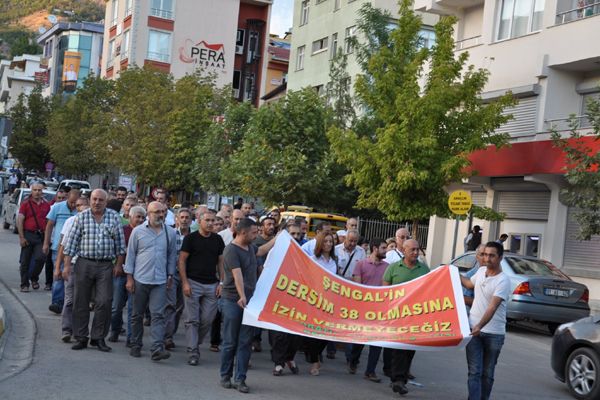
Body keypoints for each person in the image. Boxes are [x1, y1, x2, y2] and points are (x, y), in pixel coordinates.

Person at [63, 189, 126, 352]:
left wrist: (119, 265)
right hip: (84, 262)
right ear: (90, 200)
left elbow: (120, 244)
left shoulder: (113, 217)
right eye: (94, 199)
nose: (97, 202)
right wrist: (67, 266)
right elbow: (70, 244)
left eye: (100, 200)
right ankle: (81, 337)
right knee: (80, 301)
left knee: (104, 301)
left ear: (106, 201)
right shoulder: (81, 217)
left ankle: (98, 338)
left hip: (105, 265)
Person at [219, 218, 275, 393]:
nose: (256, 235)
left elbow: (262, 250)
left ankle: (240, 379)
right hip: (232, 300)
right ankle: (225, 375)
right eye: (253, 232)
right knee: (230, 341)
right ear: (243, 232)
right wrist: (242, 296)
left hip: (250, 301)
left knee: (245, 341)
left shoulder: (250, 247)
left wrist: (279, 239)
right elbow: (238, 276)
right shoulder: (231, 251)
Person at [125, 202, 176, 361]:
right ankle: (135, 344)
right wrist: (129, 278)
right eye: (156, 212)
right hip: (140, 279)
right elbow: (131, 255)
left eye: (163, 212)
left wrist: (170, 275)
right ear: (148, 213)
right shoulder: (138, 231)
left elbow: (171, 256)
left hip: (160, 281)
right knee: (137, 314)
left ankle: (157, 348)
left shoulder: (170, 232)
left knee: (158, 315)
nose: (160, 215)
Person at [460, 242, 510, 400]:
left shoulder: (503, 281)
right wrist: (452, 272)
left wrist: (480, 326)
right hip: (473, 329)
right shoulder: (481, 271)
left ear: (500, 258)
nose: (487, 258)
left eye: (492, 255)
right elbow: (468, 283)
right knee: (474, 371)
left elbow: (492, 307)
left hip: (494, 334)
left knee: (487, 374)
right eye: (485, 254)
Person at [382, 239, 429, 395]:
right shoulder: (393, 268)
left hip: (415, 317)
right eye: (412, 250)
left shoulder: (424, 269)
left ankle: (400, 378)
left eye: (418, 250)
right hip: (397, 317)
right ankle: (398, 380)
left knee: (410, 349)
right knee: (398, 349)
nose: (416, 253)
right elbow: (384, 291)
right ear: (403, 250)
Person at [179, 209, 225, 366]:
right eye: (208, 221)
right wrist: (185, 282)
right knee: (192, 319)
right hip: (193, 282)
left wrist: (221, 283)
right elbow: (182, 260)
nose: (211, 224)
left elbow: (221, 262)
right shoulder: (191, 239)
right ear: (199, 221)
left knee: (207, 318)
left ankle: (194, 343)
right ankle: (193, 351)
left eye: (213, 221)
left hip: (212, 284)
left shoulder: (218, 240)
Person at [347, 238, 389, 382]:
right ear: (375, 248)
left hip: (380, 311)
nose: (386, 251)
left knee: (377, 342)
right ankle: (353, 361)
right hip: (363, 310)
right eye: (383, 248)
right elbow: (358, 287)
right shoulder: (361, 264)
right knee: (360, 341)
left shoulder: (387, 267)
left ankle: (370, 371)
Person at [108, 205, 146, 344]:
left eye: (143, 217)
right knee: (116, 306)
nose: (141, 220)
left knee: (133, 308)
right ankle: (115, 330)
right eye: (138, 217)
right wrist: (117, 265)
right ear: (130, 217)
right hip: (121, 273)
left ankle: (131, 337)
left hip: (138, 275)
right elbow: (118, 250)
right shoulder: (122, 231)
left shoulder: (146, 232)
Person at [270, 221, 302, 376]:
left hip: (296, 297)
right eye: (293, 234)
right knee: (279, 333)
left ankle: (290, 357)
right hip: (278, 296)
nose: (296, 237)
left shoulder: (303, 254)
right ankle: (278, 363)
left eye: (298, 234)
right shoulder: (275, 251)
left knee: (295, 333)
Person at [304, 231, 338, 376]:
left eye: (331, 241)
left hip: (328, 302)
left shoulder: (334, 261)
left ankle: (316, 358)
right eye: (326, 241)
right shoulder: (312, 259)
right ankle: (314, 361)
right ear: (320, 243)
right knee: (311, 334)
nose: (329, 244)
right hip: (313, 300)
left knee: (325, 333)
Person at [57, 196, 90, 342]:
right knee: (69, 299)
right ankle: (66, 330)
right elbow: (63, 246)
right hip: (72, 265)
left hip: (88, 267)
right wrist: (59, 266)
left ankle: (79, 331)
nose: (80, 209)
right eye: (77, 206)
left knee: (82, 301)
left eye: (83, 206)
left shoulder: (96, 222)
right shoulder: (71, 222)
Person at [44, 189, 80, 313]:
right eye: (71, 202)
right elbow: (49, 226)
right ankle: (57, 303)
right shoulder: (57, 207)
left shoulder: (82, 212)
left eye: (76, 203)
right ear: (67, 198)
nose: (74, 205)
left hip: (75, 251)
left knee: (70, 277)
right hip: (57, 248)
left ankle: (67, 303)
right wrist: (46, 243)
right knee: (58, 274)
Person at [164, 207, 192, 349]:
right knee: (170, 305)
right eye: (182, 217)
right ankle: (167, 337)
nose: (185, 220)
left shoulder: (194, 237)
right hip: (172, 274)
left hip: (187, 276)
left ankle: (170, 333)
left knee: (180, 307)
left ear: (191, 220)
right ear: (176, 219)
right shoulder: (171, 234)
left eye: (187, 217)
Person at [17, 182, 51, 292]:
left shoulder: (46, 205)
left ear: (42, 191)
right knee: (25, 261)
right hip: (28, 234)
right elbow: (20, 220)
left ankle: (34, 278)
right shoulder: (25, 203)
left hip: (40, 236)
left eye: (39, 190)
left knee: (41, 258)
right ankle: (24, 284)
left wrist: (47, 239)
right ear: (31, 191)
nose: (37, 192)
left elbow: (48, 223)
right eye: (35, 190)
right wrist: (21, 237)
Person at [251, 215, 277, 353]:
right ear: (261, 227)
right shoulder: (256, 242)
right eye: (268, 224)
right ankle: (255, 339)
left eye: (273, 224)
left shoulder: (280, 242)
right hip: (258, 281)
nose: (271, 226)